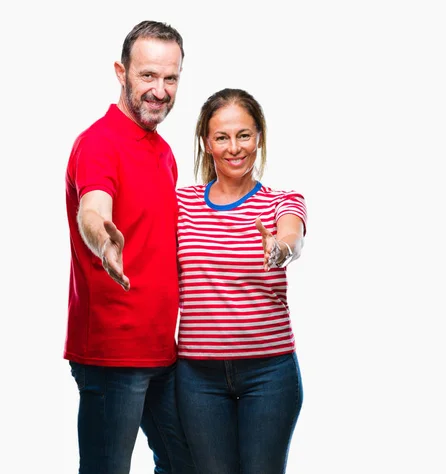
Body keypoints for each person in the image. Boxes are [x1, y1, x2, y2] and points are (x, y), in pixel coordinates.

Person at [64, 20, 196, 474]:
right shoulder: (99, 143)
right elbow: (93, 209)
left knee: (187, 463)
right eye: (147, 76)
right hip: (113, 354)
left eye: (171, 78)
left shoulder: (162, 150)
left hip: (163, 350)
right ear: (122, 73)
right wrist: (103, 239)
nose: (160, 91)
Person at [175, 88, 307, 473]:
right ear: (207, 142)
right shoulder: (180, 204)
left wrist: (280, 250)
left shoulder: (282, 201)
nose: (235, 148)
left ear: (259, 137)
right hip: (198, 378)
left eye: (244, 135)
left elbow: (291, 237)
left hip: (270, 375)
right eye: (222, 137)